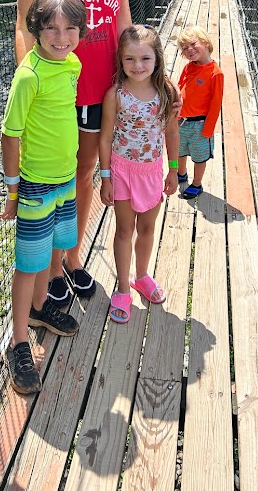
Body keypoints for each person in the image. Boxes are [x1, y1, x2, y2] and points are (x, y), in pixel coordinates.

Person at [15, 0, 132, 308]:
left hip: (100, 89)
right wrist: (32, 87)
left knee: (83, 175)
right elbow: (24, 25)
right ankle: (46, 269)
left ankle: (71, 256)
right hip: (56, 94)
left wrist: (143, 76)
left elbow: (122, 22)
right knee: (53, 179)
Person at [0, 0, 87, 394]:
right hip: (35, 183)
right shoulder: (28, 76)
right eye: (51, 28)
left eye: (71, 28)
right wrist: (13, 190)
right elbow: (10, 134)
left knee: (52, 248)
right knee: (29, 263)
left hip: (65, 178)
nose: (61, 37)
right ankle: (18, 341)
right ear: (35, 29)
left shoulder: (72, 63)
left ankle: (39, 309)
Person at [99, 25, 180, 323]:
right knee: (124, 230)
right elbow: (105, 138)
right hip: (122, 171)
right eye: (129, 59)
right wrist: (105, 178)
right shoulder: (115, 95)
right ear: (120, 60)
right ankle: (123, 288)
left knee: (147, 228)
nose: (138, 66)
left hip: (152, 172)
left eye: (145, 58)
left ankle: (142, 276)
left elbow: (172, 133)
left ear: (157, 59)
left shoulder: (167, 93)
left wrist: (174, 171)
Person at [176, 26, 224, 200]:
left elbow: (216, 104)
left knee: (199, 157)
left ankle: (197, 184)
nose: (189, 49)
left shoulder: (215, 73)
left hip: (200, 125)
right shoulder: (189, 67)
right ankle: (181, 173)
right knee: (179, 151)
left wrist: (208, 130)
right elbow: (180, 86)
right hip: (181, 121)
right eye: (184, 48)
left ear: (205, 42)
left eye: (193, 44)